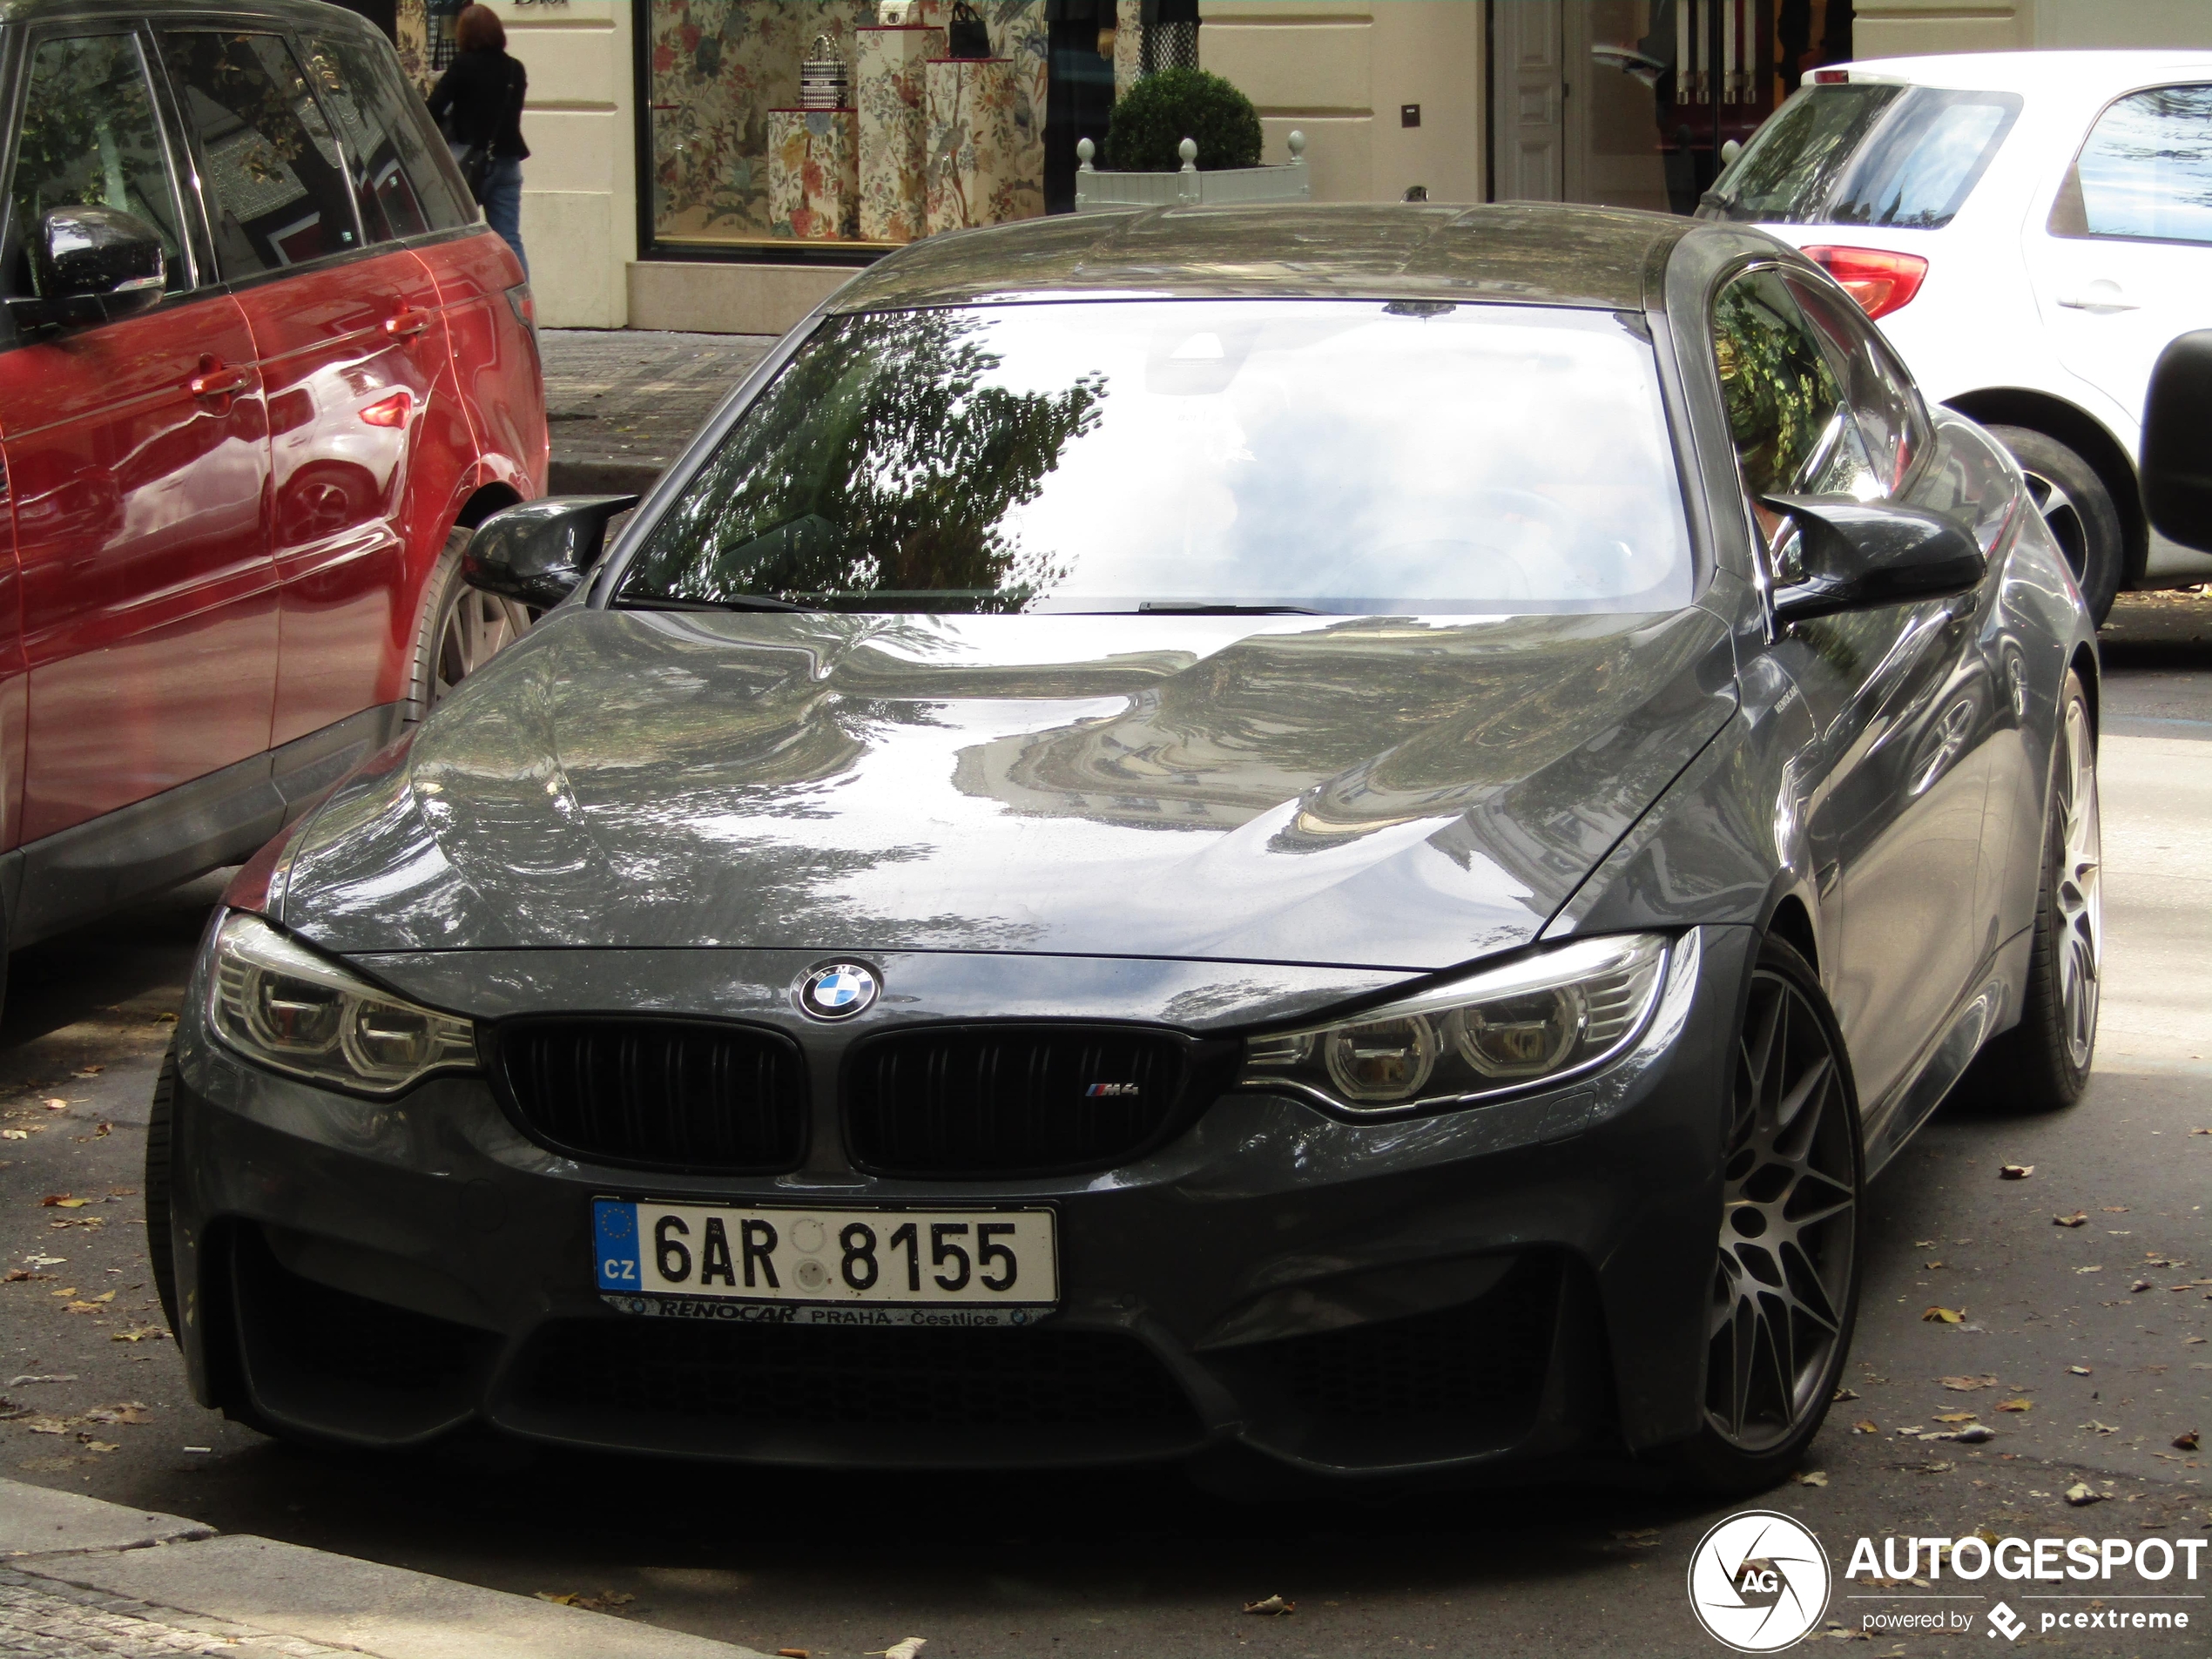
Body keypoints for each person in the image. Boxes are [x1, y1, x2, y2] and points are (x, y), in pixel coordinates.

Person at [428, 5, 528, 273]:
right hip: (507, 163)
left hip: (465, 163)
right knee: (509, 238)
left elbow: (432, 109)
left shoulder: (462, 66)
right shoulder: (515, 69)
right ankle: (521, 300)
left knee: (457, 239)